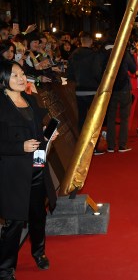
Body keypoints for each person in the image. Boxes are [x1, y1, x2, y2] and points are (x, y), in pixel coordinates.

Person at [0, 60, 57, 280]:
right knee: (14, 221)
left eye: (22, 74)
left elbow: (36, 133)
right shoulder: (2, 105)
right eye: (14, 76)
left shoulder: (30, 100)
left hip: (37, 167)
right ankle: (5, 269)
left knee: (37, 215)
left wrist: (46, 134)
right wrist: (19, 147)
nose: (21, 78)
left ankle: (39, 252)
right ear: (3, 80)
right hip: (14, 173)